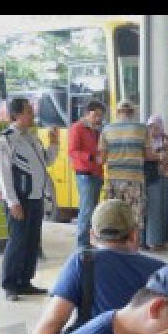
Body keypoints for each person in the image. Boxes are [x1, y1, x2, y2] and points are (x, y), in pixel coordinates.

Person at [29, 200, 164, 334]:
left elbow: (54, 321)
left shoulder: (82, 262)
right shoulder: (160, 271)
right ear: (134, 235)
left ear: (92, 235)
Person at [0, 97, 59, 300]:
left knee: (32, 241)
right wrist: (12, 201)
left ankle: (25, 281)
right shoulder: (6, 140)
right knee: (18, 241)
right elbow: (4, 174)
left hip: (36, 197)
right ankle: (10, 284)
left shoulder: (32, 138)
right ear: (16, 115)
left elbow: (46, 162)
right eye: (28, 112)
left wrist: (54, 144)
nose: (32, 115)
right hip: (20, 199)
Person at [99, 100, 153, 244]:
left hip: (113, 179)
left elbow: (102, 159)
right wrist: (162, 157)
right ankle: (133, 246)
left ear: (117, 112)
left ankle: (114, 245)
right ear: (133, 112)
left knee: (114, 214)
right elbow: (148, 156)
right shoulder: (142, 129)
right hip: (134, 180)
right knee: (134, 215)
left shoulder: (107, 129)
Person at [68, 99, 106, 250]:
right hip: (85, 174)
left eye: (101, 115)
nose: (98, 118)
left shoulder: (98, 130)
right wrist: (90, 157)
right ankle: (82, 244)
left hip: (97, 173)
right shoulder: (77, 128)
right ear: (86, 114)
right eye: (95, 115)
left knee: (93, 210)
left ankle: (88, 242)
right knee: (86, 210)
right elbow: (72, 151)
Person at [144, 114, 168, 252]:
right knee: (153, 210)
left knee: (164, 209)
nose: (154, 130)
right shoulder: (145, 140)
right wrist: (159, 157)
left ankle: (162, 240)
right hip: (151, 177)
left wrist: (162, 158)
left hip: (165, 176)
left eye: (156, 127)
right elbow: (144, 156)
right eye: (151, 127)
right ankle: (152, 241)